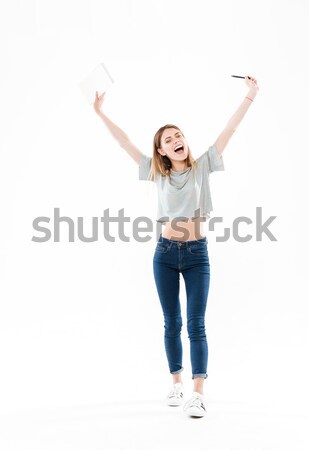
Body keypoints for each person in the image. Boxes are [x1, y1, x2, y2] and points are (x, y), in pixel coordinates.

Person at [93, 75, 259, 418]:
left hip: (197, 254)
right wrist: (100, 112)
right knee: (172, 322)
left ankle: (198, 393)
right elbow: (124, 143)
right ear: (162, 151)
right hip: (165, 255)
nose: (176, 140)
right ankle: (176, 383)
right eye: (168, 139)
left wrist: (249, 96)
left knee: (196, 322)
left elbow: (229, 130)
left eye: (178, 135)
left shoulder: (203, 167)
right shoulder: (158, 174)